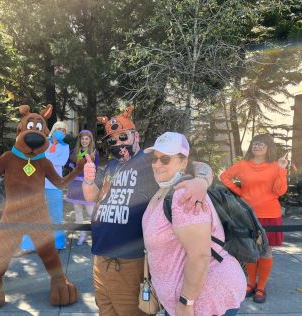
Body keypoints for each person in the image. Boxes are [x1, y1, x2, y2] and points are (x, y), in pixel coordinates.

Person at [82, 106, 214, 316]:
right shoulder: (111, 167)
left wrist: (201, 181)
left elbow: (198, 165)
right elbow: (92, 196)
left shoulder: (152, 161)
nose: (118, 143)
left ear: (136, 136)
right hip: (100, 258)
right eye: (112, 140)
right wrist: (89, 180)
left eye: (122, 136)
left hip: (128, 262)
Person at [142, 132, 246, 316]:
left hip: (203, 301)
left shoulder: (184, 195)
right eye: (154, 158)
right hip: (184, 299)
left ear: (183, 162)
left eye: (165, 159)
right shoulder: (168, 188)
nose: (157, 164)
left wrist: (186, 303)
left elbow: (199, 256)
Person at [220, 133, 288, 304]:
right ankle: (250, 283)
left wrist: (281, 169)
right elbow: (224, 177)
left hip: (270, 214)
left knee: (265, 251)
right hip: (248, 214)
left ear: (268, 147)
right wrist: (240, 192)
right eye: (255, 143)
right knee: (250, 249)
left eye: (262, 144)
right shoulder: (243, 165)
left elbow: (280, 191)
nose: (258, 146)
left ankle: (261, 287)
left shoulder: (275, 166)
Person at [19, 121, 70, 252]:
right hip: (38, 183)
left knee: (56, 214)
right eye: (59, 129)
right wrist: (47, 158)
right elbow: (36, 157)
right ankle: (28, 245)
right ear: (53, 129)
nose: (61, 132)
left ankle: (58, 244)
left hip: (54, 184)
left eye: (64, 131)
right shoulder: (42, 142)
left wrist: (46, 158)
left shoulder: (65, 147)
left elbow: (62, 162)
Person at [65, 130, 99, 245]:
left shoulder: (94, 153)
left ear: (90, 140)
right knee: (78, 211)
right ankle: (82, 235)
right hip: (75, 185)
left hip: (87, 185)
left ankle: (97, 234)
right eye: (82, 138)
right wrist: (73, 166)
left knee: (91, 212)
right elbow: (68, 163)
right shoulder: (74, 151)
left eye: (87, 138)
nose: (84, 141)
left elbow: (96, 168)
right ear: (80, 140)